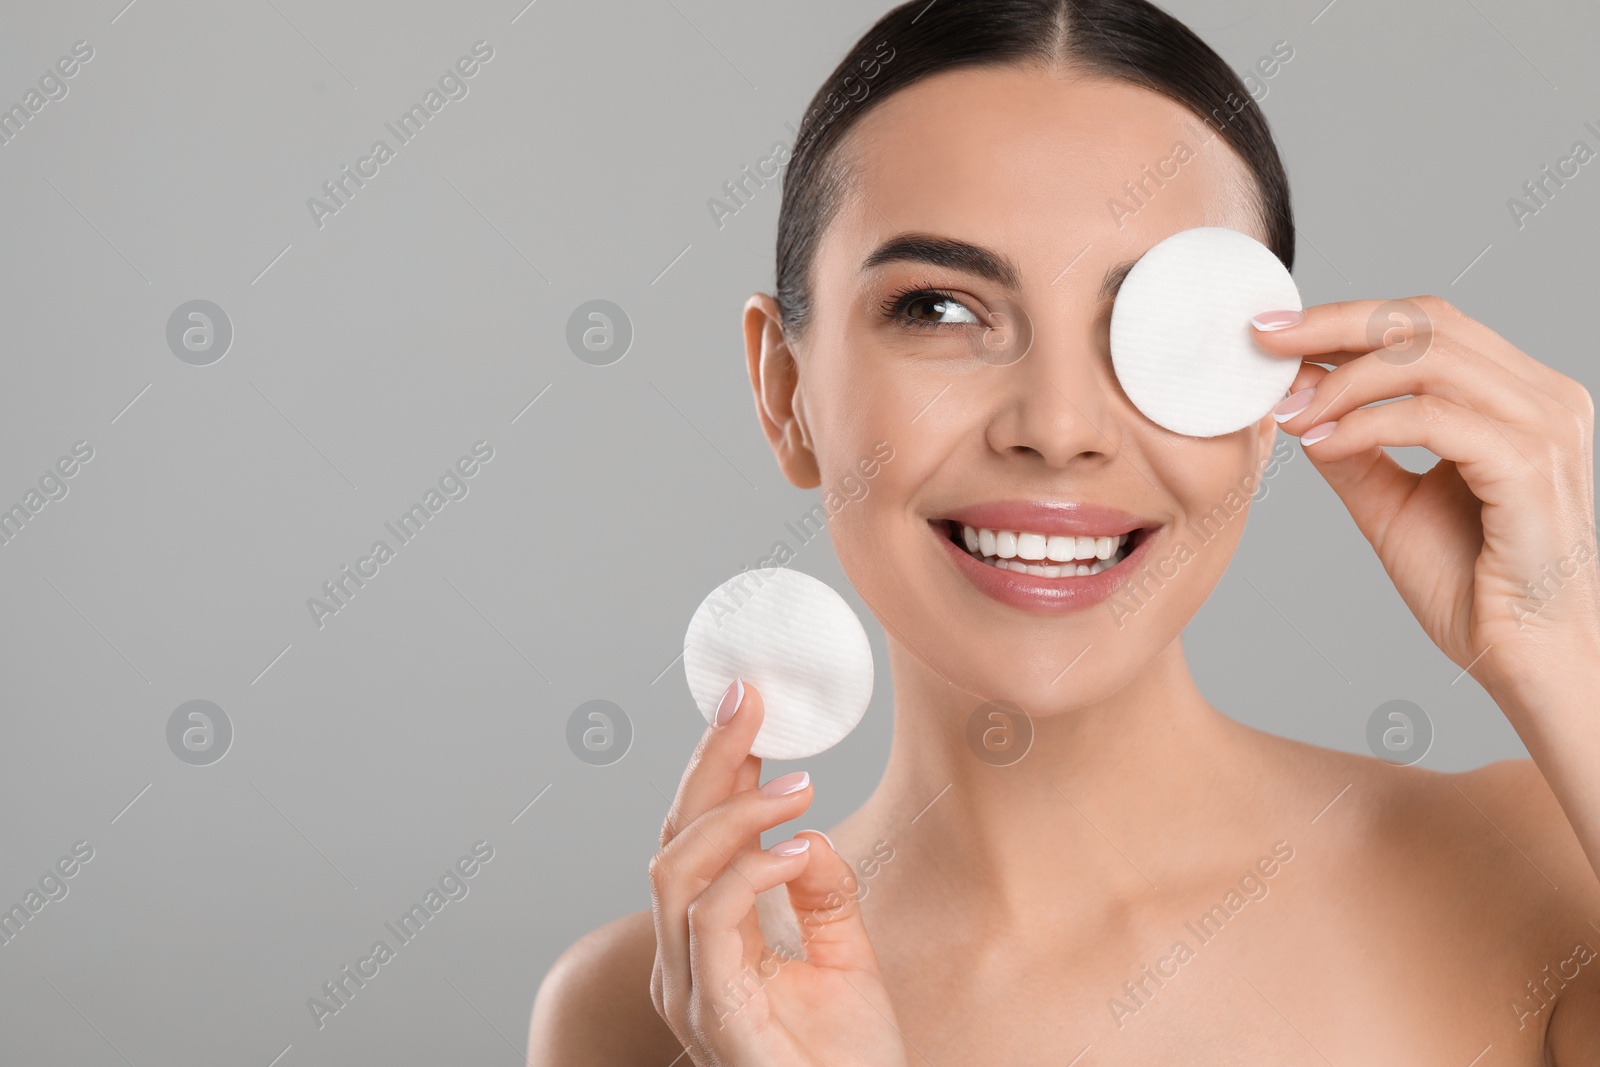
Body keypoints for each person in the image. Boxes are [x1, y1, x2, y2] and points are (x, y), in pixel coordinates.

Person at [529, 0, 1600, 1061]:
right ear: (783, 391)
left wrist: (1568, 649)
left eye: (1168, 330)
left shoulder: (1547, 866)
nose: (1057, 427)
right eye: (940, 310)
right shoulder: (659, 1005)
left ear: (1265, 391)